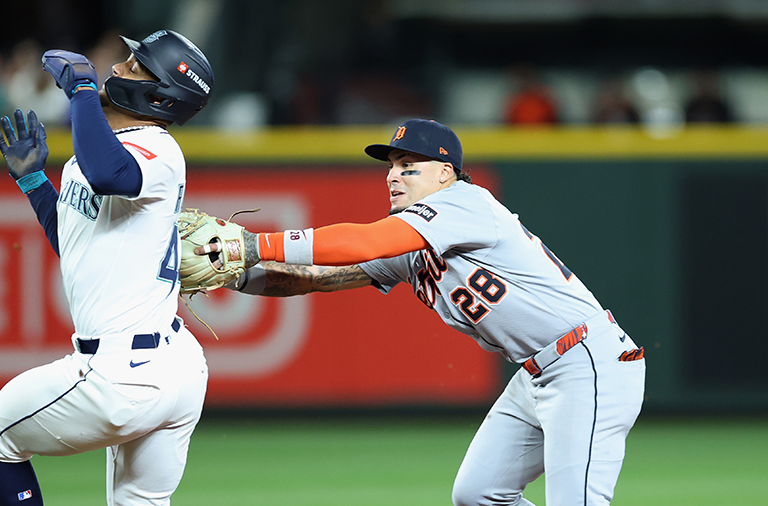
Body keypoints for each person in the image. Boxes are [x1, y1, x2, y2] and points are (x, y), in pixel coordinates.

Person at [213, 119, 646, 505]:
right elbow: (317, 277)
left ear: (445, 173)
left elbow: (363, 242)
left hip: (587, 362)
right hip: (538, 373)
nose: (392, 176)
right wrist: (234, 277)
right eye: (390, 167)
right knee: (479, 495)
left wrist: (255, 244)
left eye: (407, 166)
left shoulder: (465, 203)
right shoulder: (417, 240)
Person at [0, 29, 214, 506]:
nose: (119, 68)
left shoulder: (158, 148)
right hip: (171, 365)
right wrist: (34, 181)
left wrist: (82, 90)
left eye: (135, 65)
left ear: (156, 94)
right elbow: (77, 244)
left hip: (122, 373)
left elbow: (111, 173)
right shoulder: (110, 149)